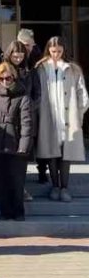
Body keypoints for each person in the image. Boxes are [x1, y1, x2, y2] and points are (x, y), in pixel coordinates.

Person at [36, 37, 88, 202]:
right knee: (51, 153)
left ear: (64, 50)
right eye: (53, 51)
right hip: (49, 116)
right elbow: (36, 93)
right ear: (48, 50)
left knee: (66, 154)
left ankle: (65, 187)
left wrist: (79, 114)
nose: (56, 54)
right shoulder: (41, 68)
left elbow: (82, 93)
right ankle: (55, 186)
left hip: (68, 116)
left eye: (59, 51)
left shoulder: (73, 69)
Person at [0, 63, 33, 221]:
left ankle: (18, 212)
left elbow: (27, 124)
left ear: (14, 77)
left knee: (17, 181)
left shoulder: (23, 97)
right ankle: (5, 211)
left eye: (8, 77)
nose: (5, 81)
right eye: (2, 78)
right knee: (2, 180)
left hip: (16, 144)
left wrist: (24, 147)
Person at [4, 40, 43, 190]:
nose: (18, 60)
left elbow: (38, 94)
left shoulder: (31, 71)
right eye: (15, 57)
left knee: (22, 156)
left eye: (21, 57)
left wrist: (28, 108)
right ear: (10, 55)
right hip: (8, 118)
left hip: (26, 119)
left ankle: (21, 187)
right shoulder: (4, 70)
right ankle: (9, 187)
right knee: (8, 156)